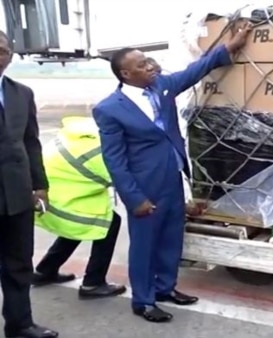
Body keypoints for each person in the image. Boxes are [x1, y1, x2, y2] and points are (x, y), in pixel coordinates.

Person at [92, 24, 251, 323]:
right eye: (142, 64)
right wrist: (134, 197)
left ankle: (166, 288)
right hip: (143, 186)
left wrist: (228, 47)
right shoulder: (109, 109)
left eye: (149, 61)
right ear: (126, 74)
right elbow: (114, 159)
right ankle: (143, 300)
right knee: (145, 244)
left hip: (173, 178)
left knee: (171, 237)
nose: (151, 66)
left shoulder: (161, 87)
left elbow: (195, 71)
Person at [0, 30, 58, 338]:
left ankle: (20, 324)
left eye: (1, 50)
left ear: (10, 55)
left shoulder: (21, 93)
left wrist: (40, 185)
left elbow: (31, 143)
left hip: (17, 195)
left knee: (19, 264)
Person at [31, 116, 126, 300]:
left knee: (81, 223)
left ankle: (45, 271)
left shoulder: (92, 131)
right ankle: (93, 283)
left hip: (50, 186)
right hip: (54, 194)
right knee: (108, 223)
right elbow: (125, 182)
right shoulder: (105, 150)